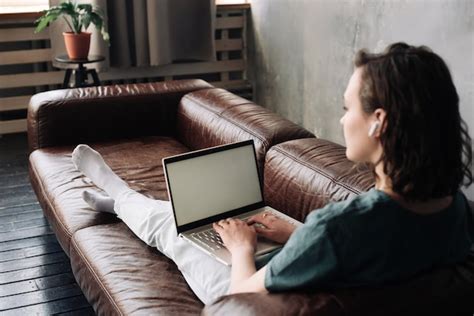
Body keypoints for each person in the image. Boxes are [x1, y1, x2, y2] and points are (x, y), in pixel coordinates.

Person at [71, 42, 474, 305]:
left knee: (173, 228)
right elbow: (379, 250)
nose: (342, 118)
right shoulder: (455, 210)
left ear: (378, 122)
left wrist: (242, 247)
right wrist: (298, 234)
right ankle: (123, 200)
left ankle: (120, 196)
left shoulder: (339, 228)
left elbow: (243, 293)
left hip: (242, 294)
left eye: (349, 107)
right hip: (320, 270)